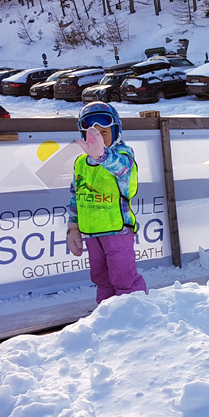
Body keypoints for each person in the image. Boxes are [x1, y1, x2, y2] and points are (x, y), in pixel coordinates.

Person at [66, 102, 148, 304]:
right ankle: (106, 318)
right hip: (93, 233)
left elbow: (121, 169)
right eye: (92, 134)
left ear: (116, 131)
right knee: (101, 279)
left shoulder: (123, 156)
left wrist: (101, 155)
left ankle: (134, 316)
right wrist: (73, 228)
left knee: (123, 277)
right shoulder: (81, 162)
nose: (98, 138)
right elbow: (76, 196)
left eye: (104, 132)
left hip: (118, 232)